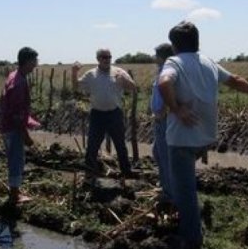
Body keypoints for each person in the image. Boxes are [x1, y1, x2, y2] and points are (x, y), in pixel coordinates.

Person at [158, 21, 248, 249]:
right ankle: (191, 225)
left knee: (184, 191)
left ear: (175, 45)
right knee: (187, 184)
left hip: (181, 139)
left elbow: (164, 81)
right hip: (206, 137)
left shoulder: (174, 62)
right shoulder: (209, 62)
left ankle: (191, 240)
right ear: (197, 42)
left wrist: (177, 109)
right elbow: (235, 80)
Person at [72, 48, 137, 179]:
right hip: (97, 114)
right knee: (92, 144)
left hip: (114, 113)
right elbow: (76, 86)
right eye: (104, 57)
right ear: (98, 59)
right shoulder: (91, 74)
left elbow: (133, 87)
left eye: (109, 57)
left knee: (120, 144)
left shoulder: (119, 72)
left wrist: (125, 80)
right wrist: (74, 72)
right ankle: (90, 172)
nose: (107, 59)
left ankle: (126, 171)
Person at [0, 47, 39, 205]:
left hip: (7, 125)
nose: (35, 65)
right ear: (27, 61)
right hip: (13, 128)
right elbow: (16, 115)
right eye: (34, 61)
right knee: (16, 160)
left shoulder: (14, 76)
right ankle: (15, 196)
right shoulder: (19, 83)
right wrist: (26, 135)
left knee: (15, 159)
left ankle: (15, 191)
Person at [151, 43, 174, 203]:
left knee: (165, 156)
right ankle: (166, 184)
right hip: (160, 118)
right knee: (158, 153)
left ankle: (169, 192)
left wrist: (163, 111)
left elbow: (170, 90)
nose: (154, 58)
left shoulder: (168, 71)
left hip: (164, 119)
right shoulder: (161, 70)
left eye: (156, 55)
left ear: (162, 56)